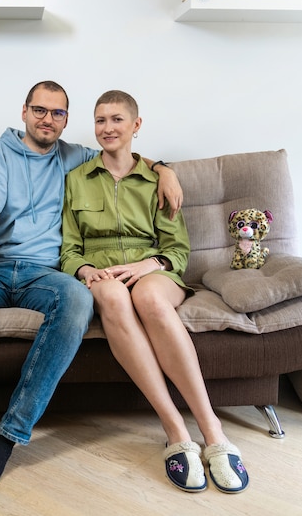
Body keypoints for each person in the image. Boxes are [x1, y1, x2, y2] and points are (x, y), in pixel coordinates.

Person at [0, 81, 183, 501]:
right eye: (40, 110)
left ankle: (7, 439)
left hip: (42, 273)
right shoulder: (1, 153)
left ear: (66, 120)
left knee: (79, 299)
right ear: (25, 112)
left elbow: (126, 156)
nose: (48, 119)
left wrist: (165, 168)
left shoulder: (74, 156)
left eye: (58, 113)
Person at [60, 90, 249, 494]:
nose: (107, 128)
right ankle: (175, 429)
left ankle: (212, 430)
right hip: (105, 275)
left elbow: (177, 250)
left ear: (136, 126)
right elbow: (69, 248)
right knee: (111, 296)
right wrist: (85, 268)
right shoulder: (76, 179)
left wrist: (151, 265)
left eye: (116, 119)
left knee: (146, 297)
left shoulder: (156, 180)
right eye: (99, 120)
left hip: (155, 272)